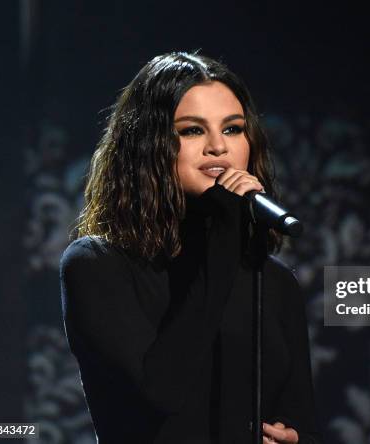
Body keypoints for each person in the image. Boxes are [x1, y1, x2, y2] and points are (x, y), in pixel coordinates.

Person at [59, 51, 321, 444]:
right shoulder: (98, 264)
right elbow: (159, 393)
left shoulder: (273, 283)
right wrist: (224, 238)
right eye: (192, 130)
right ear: (149, 144)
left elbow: (303, 422)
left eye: (233, 129)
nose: (218, 147)